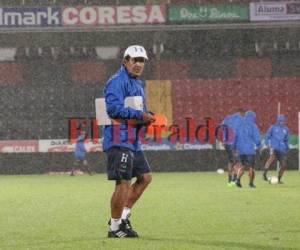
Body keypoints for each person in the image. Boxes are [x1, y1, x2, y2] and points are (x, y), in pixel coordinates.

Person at [103, 45, 155, 238]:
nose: (139, 64)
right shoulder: (117, 81)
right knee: (123, 183)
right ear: (125, 61)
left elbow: (138, 113)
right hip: (118, 137)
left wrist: (147, 121)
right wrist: (141, 115)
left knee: (145, 177)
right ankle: (114, 228)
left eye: (142, 61)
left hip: (132, 139)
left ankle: (122, 217)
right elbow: (113, 110)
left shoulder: (137, 84)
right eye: (135, 60)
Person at [233, 111, 262, 188]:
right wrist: (259, 145)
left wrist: (234, 148)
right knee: (251, 167)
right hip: (249, 150)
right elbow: (256, 137)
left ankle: (238, 180)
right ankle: (251, 184)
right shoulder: (253, 125)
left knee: (242, 166)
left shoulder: (238, 125)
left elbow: (234, 137)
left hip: (240, 149)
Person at [262, 114, 289, 184]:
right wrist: (267, 144)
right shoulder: (273, 127)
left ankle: (279, 179)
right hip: (274, 147)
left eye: (283, 121)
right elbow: (267, 136)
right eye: (280, 121)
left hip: (282, 149)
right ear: (277, 120)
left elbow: (286, 140)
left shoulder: (286, 129)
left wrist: (287, 147)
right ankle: (264, 174)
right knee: (271, 159)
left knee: (283, 165)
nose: (282, 122)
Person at [221, 109, 245, 187]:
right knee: (238, 162)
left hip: (226, 143)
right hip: (234, 143)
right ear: (241, 113)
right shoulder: (241, 119)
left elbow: (222, 127)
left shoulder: (227, 118)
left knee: (230, 161)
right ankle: (234, 180)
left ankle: (229, 180)